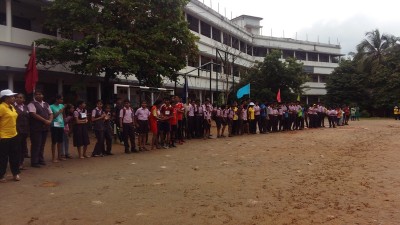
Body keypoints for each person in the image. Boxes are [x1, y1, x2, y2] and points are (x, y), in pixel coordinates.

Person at [28, 90, 53, 168]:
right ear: (35, 96)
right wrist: (45, 120)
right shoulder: (32, 104)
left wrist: (50, 121)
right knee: (36, 144)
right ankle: (34, 162)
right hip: (36, 128)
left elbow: (51, 113)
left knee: (42, 144)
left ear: (43, 95)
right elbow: (33, 114)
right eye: (37, 94)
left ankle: (40, 159)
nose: (39, 95)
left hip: (45, 127)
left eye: (40, 94)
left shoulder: (46, 104)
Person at [0, 89, 21, 182]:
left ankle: (15, 174)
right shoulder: (1, 107)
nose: (14, 98)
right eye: (11, 96)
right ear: (5, 98)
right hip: (4, 136)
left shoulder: (11, 107)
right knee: (3, 157)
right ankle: (1, 175)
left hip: (14, 135)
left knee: (15, 155)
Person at [14, 93, 30, 170]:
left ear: (24, 99)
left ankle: (21, 163)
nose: (18, 99)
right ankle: (16, 163)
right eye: (17, 97)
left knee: (23, 146)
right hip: (16, 130)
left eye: (20, 97)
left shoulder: (26, 107)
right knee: (17, 147)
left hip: (25, 130)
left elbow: (29, 118)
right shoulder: (13, 107)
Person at [50, 94, 65, 162]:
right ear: (57, 99)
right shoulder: (51, 106)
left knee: (60, 141)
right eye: (61, 99)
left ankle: (59, 156)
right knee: (54, 142)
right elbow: (53, 116)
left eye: (62, 99)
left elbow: (63, 115)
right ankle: (53, 157)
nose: (62, 100)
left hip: (61, 125)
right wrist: (59, 112)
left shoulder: (62, 106)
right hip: (54, 125)